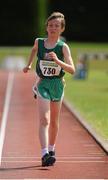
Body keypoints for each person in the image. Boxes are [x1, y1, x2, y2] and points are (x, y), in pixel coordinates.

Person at [23, 12, 75, 167]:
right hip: (43, 83)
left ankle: (52, 149)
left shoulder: (63, 47)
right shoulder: (39, 42)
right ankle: (44, 153)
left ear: (62, 29)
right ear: (46, 27)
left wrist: (57, 60)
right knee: (44, 119)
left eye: (56, 26)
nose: (53, 28)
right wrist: (29, 64)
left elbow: (72, 70)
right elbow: (33, 50)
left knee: (54, 121)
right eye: (50, 25)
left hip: (57, 85)